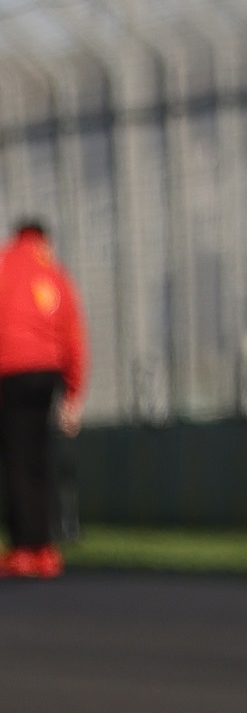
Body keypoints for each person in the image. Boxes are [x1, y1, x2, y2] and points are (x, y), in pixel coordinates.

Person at [0, 219, 88, 579]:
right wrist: (73, 393)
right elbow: (73, 333)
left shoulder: (4, 266)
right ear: (43, 240)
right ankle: (45, 548)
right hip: (46, 373)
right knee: (39, 457)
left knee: (16, 460)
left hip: (9, 372)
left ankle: (24, 548)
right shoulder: (53, 273)